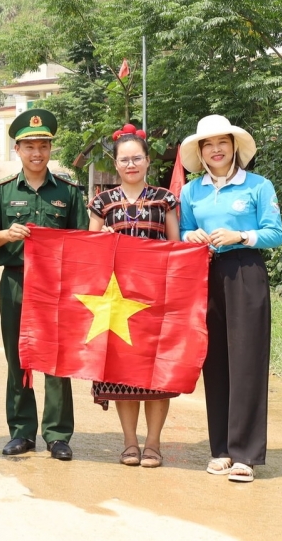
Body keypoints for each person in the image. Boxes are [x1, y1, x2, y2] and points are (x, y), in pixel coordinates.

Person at [178, 115, 282, 484]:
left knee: (247, 362)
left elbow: (275, 233)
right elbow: (183, 229)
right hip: (204, 275)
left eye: (222, 142)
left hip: (245, 273)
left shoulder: (258, 186)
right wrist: (191, 237)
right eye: (208, 144)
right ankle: (220, 450)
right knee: (216, 362)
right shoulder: (192, 191)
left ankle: (245, 455)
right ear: (200, 152)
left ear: (234, 147)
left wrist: (240, 235)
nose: (216, 149)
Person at [0, 108, 86, 461]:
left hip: (57, 286)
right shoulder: (1, 192)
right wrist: (5, 234)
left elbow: (83, 243)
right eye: (29, 146)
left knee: (57, 360)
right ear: (18, 150)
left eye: (43, 145)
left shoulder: (70, 193)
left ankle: (58, 434)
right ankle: (22, 432)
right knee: (18, 358)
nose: (37, 153)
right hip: (15, 281)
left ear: (50, 149)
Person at [87, 127, 180, 468]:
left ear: (147, 161)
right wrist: (104, 239)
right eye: (124, 159)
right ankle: (129, 442)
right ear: (116, 163)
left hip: (156, 298)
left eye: (136, 158)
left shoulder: (165, 199)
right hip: (115, 300)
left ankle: (153, 444)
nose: (130, 164)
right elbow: (89, 250)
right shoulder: (102, 202)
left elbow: (176, 248)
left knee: (157, 374)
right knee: (125, 373)